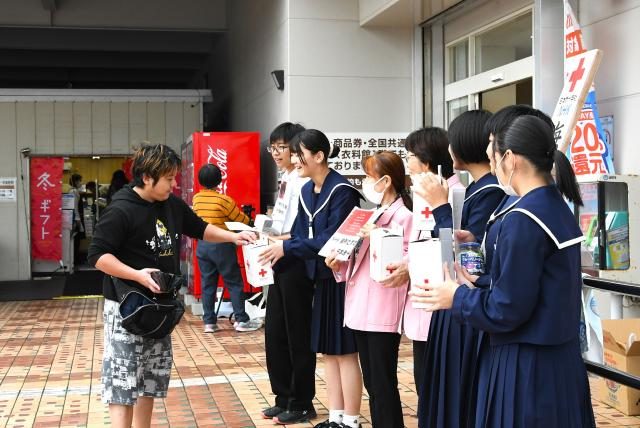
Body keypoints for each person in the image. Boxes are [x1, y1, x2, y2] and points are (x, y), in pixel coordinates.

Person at [413, 115, 595, 427]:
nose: (491, 163)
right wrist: (481, 280)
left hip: (526, 365)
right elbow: (535, 286)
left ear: (510, 158)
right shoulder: (553, 205)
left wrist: (457, 297)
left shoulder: (522, 218)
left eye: (492, 156)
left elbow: (506, 309)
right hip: (559, 359)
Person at [88, 143, 255, 428]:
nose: (174, 184)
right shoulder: (121, 209)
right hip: (127, 309)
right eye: (168, 178)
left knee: (150, 381)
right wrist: (137, 275)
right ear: (147, 177)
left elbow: (199, 228)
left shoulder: (171, 205)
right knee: (123, 382)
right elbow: (98, 256)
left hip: (161, 308)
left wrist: (234, 237)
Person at [259, 129, 363, 428]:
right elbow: (301, 233)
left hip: (339, 279)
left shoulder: (342, 191)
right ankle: (335, 415)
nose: (294, 160)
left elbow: (331, 237)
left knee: (342, 350)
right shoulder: (307, 190)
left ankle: (348, 418)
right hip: (317, 276)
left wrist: (287, 247)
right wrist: (276, 243)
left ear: (319, 156)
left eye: (299, 154)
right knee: (327, 351)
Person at [416, 110, 504, 428]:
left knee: (457, 395)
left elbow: (468, 260)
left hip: (466, 304)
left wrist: (440, 206)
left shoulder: (491, 192)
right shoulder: (479, 188)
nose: (449, 149)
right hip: (457, 302)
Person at [325, 151, 413, 428]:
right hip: (362, 307)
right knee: (374, 382)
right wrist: (338, 262)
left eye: (368, 176)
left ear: (385, 181)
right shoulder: (373, 214)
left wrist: (376, 235)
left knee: (382, 382)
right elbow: (358, 261)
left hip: (382, 307)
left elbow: (401, 262)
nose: (364, 182)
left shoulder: (403, 216)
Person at [380, 127, 465, 397]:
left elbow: (451, 247)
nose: (408, 162)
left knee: (440, 386)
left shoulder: (455, 194)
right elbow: (420, 239)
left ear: (426, 160)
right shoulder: (421, 194)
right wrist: (406, 263)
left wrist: (411, 264)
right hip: (422, 300)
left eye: (410, 156)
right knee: (424, 382)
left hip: (443, 303)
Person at [260, 123, 317, 424]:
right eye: (273, 147)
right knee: (276, 332)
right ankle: (282, 396)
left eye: (282, 147)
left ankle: (301, 400)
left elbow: (302, 229)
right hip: (278, 256)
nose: (276, 153)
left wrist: (280, 240)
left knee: (297, 334)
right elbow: (281, 219)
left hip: (295, 259)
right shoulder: (286, 178)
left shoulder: (304, 181)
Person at [192, 163, 262, 333]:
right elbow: (240, 219)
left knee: (208, 284)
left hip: (203, 246)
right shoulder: (223, 200)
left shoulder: (197, 199)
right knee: (233, 282)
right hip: (222, 246)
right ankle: (241, 320)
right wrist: (250, 221)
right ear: (219, 180)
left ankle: (209, 323)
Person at [69, 173, 86, 265]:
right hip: (75, 219)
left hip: (74, 218)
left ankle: (75, 259)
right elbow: (75, 207)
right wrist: (78, 220)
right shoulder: (74, 192)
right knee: (76, 240)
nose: (81, 183)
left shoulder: (73, 191)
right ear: (76, 181)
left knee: (76, 240)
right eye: (80, 181)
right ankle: (75, 260)